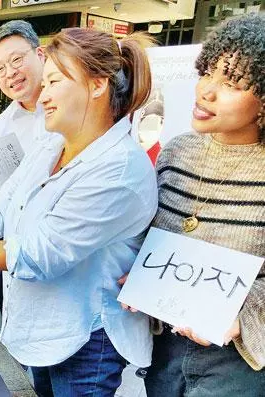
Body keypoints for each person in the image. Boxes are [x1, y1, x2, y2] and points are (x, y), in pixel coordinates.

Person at [0, 28, 157, 396]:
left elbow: (36, 255)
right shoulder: (51, 145)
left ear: (97, 86)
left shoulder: (118, 169)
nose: (45, 95)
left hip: (86, 341)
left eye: (54, 81)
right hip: (41, 329)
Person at [139, 14, 265, 395]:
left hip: (235, 363)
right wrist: (141, 274)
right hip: (164, 349)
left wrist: (243, 318)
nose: (206, 91)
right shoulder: (176, 152)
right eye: (208, 72)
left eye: (230, 83)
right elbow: (156, 238)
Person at [0, 20, 54, 316]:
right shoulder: (5, 122)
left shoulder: (70, 108)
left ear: (40, 55)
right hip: (17, 247)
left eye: (16, 60)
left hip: (60, 243)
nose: (10, 73)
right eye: (0, 68)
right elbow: (5, 189)